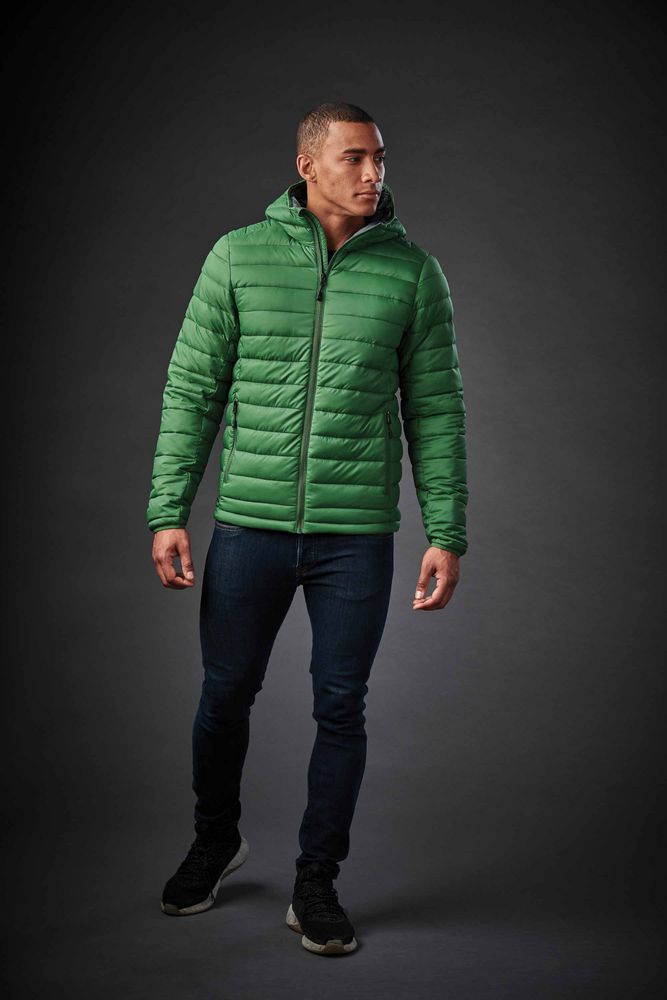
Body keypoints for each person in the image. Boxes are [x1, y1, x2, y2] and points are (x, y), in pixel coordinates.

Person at [146, 101, 468, 956]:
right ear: (307, 165)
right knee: (223, 696)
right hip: (248, 526)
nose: (373, 173)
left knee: (340, 705)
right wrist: (168, 511)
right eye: (355, 157)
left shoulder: (412, 273)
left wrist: (446, 531)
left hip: (354, 536)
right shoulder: (237, 257)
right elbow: (191, 390)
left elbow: (436, 410)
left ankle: (315, 880)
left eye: (380, 158)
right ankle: (214, 841)